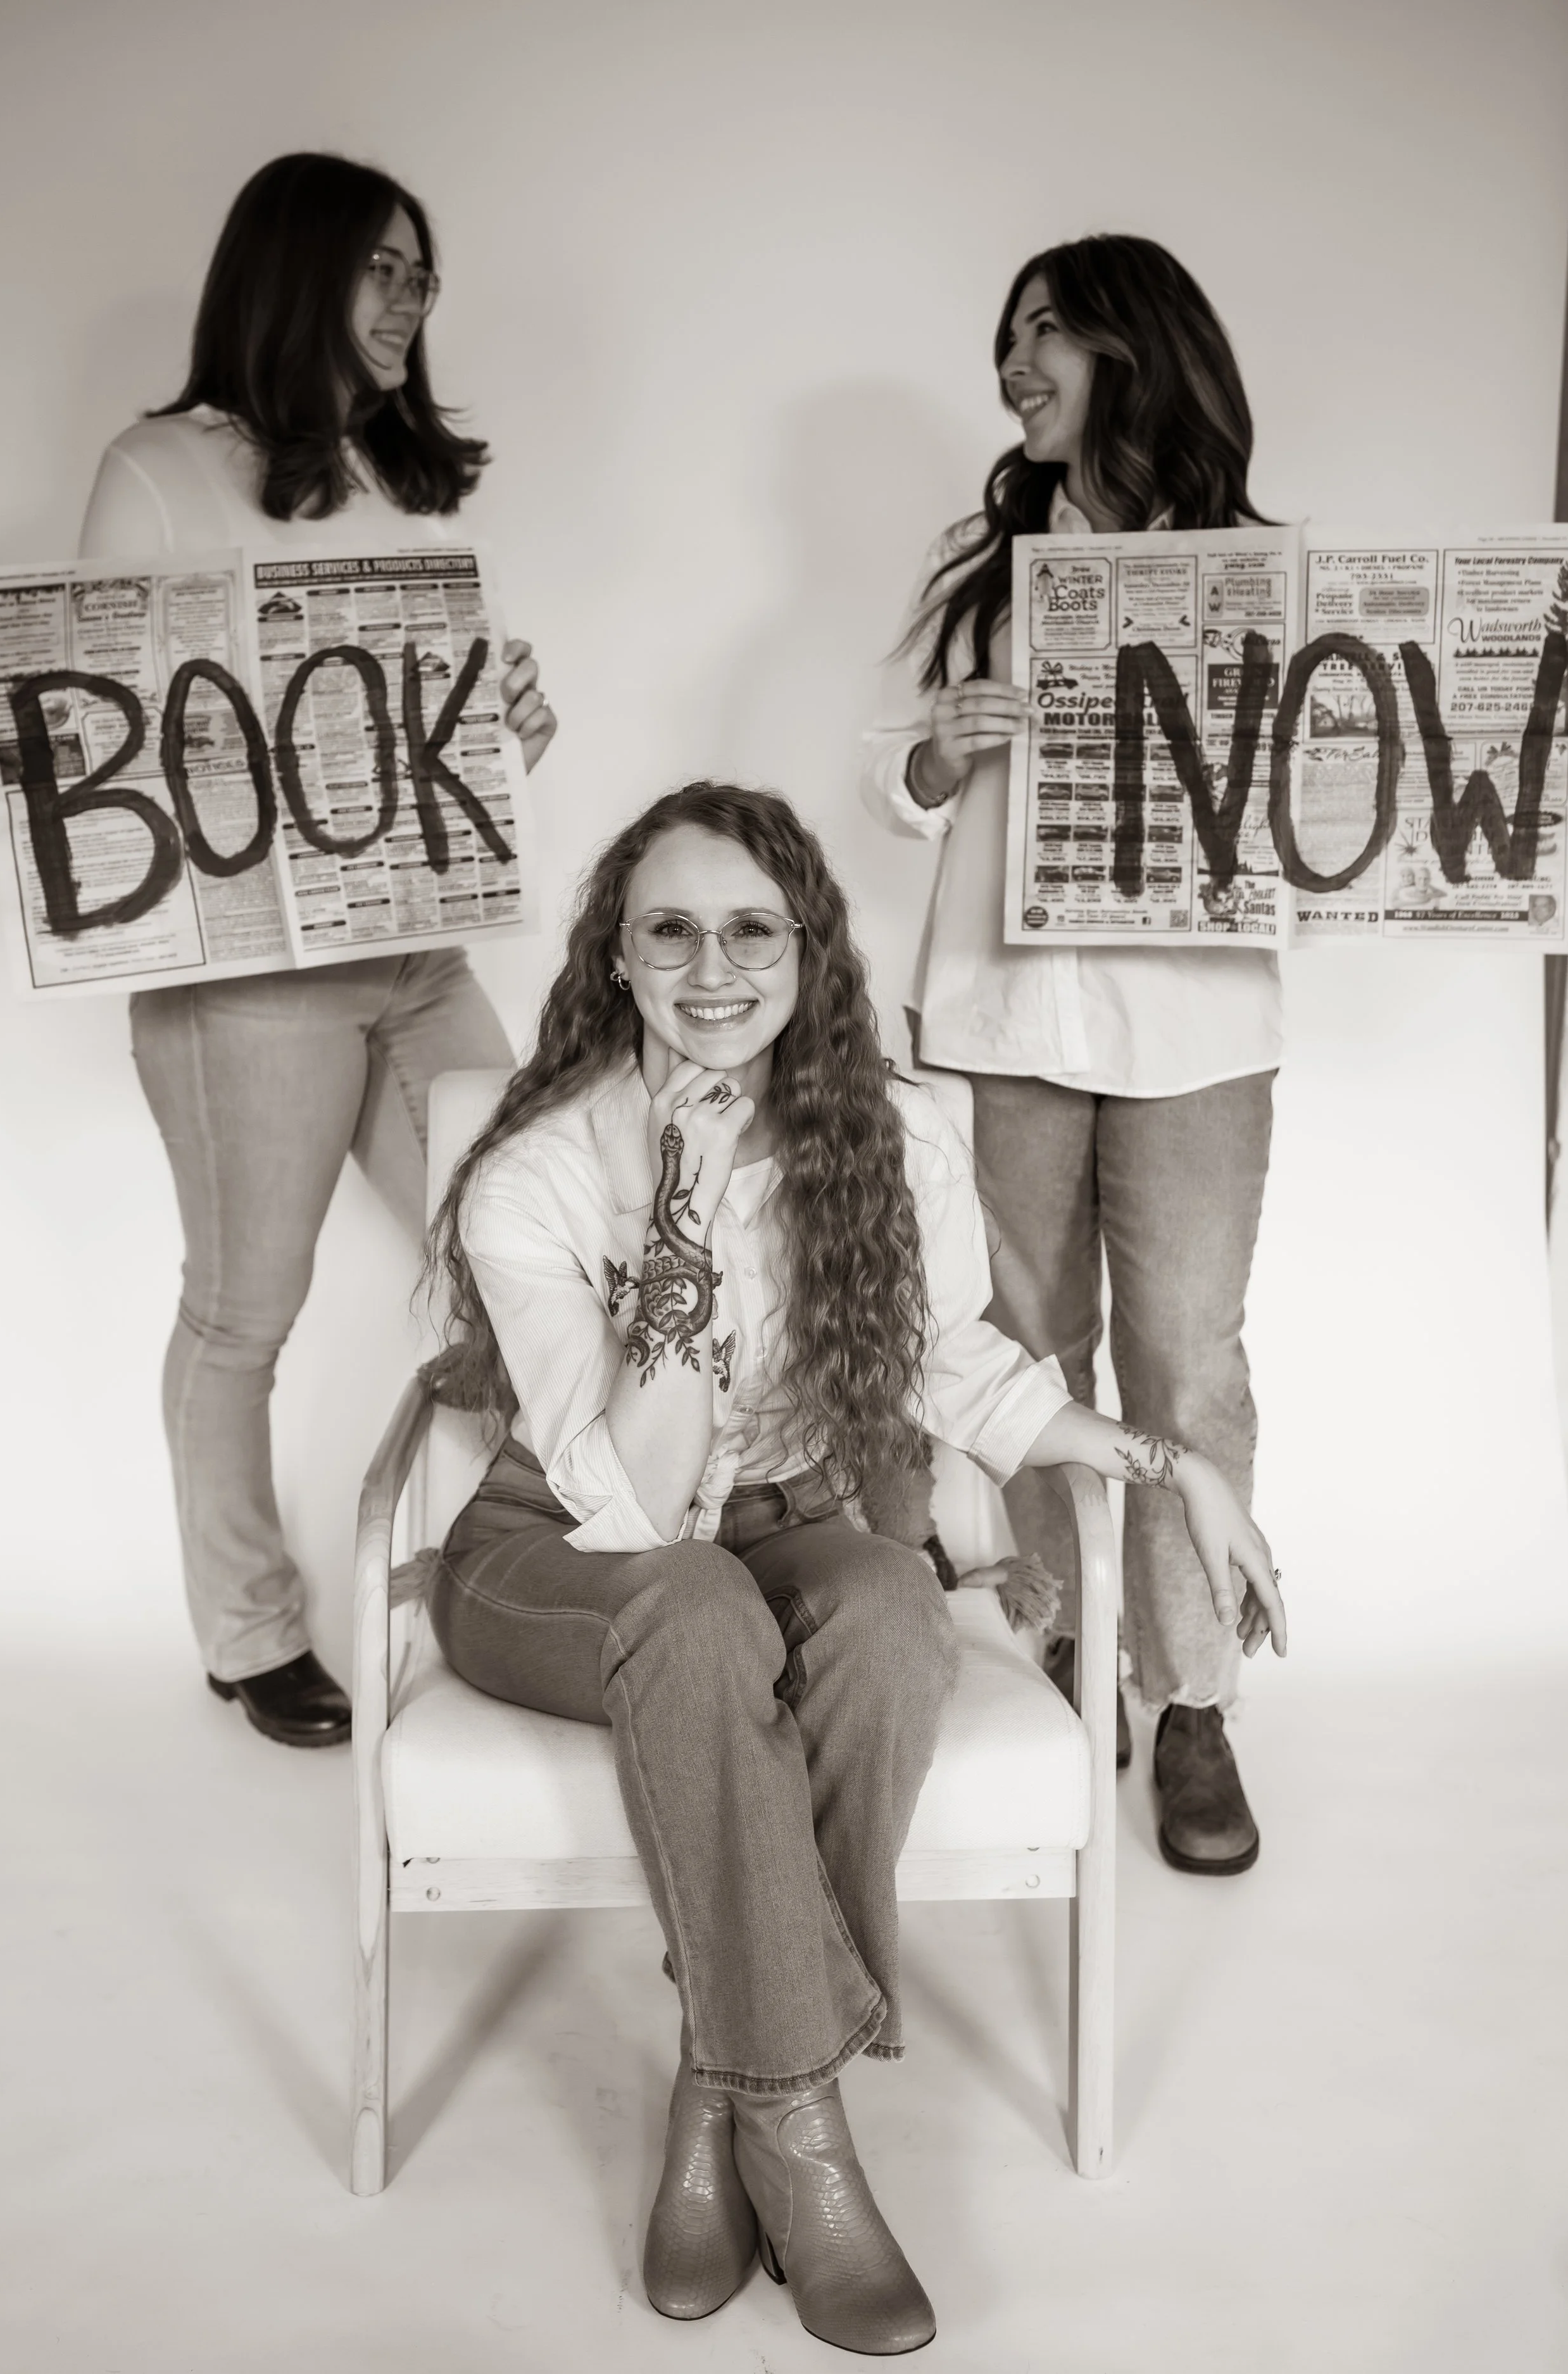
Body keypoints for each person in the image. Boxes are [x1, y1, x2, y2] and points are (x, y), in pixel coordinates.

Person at [426, 781, 1284, 2352]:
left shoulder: (887, 1131)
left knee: (892, 1612)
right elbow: (628, 1505)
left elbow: (946, 1363)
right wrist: (680, 1218)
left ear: (808, 951)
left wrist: (1179, 1466)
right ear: (614, 957)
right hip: (554, 1550)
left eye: (752, 929)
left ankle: (720, 2085)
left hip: (772, 1517)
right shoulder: (534, 1177)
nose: (711, 967)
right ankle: (810, 2152)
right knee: (687, 1612)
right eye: (669, 930)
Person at [78, 153, 556, 1747]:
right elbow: (106, 743)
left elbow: (397, 750)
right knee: (245, 1308)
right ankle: (248, 1629)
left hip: (416, 949)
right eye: (382, 271)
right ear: (293, 275)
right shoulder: (157, 472)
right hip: (251, 980)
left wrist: (492, 743)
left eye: (424, 277)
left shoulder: (398, 482)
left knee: (537, 1245)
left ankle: (505, 1570)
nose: (412, 305)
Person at [862, 233, 1281, 1876]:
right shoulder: (986, 569)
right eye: (1007, 336)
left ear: (1134, 348)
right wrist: (933, 754)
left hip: (1194, 1029)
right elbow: (887, 795)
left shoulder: (1262, 570)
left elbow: (1334, 802)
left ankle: (1189, 1695)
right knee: (1022, 1357)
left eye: (1045, 331)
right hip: (998, 1017)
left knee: (1185, 1365)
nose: (1014, 364)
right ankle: (1063, 1643)